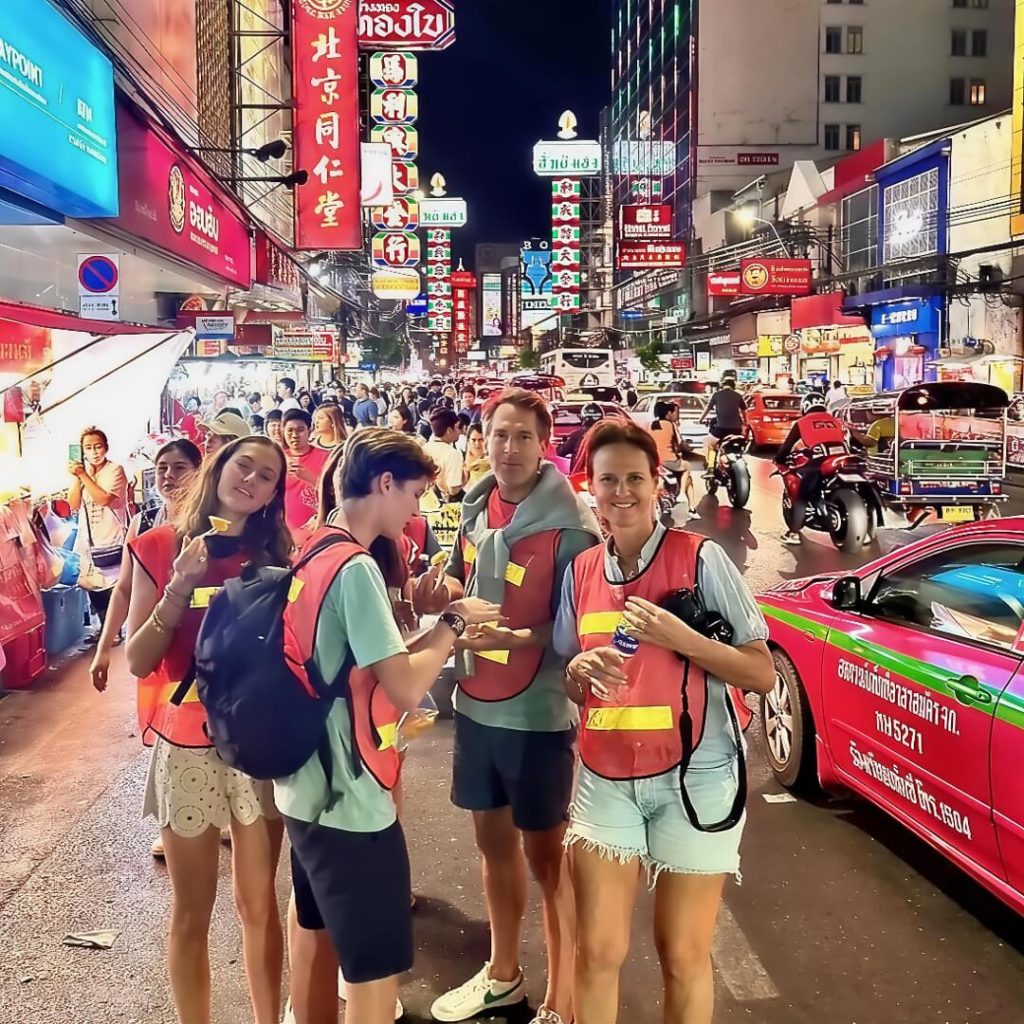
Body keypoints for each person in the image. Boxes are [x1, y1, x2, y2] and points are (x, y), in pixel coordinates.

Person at [275, 428, 501, 1024]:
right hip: (350, 799)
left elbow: (364, 662)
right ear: (383, 484)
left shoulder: (312, 545)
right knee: (373, 972)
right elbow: (404, 685)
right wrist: (452, 622)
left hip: (304, 784)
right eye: (414, 494)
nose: (417, 510)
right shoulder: (354, 569)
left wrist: (429, 627)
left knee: (314, 935)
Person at [554, 420, 774, 1024]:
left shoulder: (701, 559)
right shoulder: (580, 574)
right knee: (596, 952)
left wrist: (683, 639)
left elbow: (760, 673)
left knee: (681, 955)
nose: (621, 491)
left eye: (634, 478)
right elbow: (572, 685)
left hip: (698, 778)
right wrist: (580, 668)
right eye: (607, 480)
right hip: (606, 776)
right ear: (590, 488)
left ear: (658, 485)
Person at [419, 389, 602, 1024]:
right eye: (499, 434)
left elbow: (581, 627)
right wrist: (440, 591)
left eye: (523, 436)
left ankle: (565, 997)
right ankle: (504, 974)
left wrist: (516, 637)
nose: (510, 448)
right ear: (483, 439)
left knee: (548, 862)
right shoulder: (475, 511)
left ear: (544, 444)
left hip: (537, 716)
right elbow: (466, 588)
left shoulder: (573, 530)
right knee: (493, 850)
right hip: (475, 703)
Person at [125, 437, 290, 1024]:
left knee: (260, 906)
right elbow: (140, 660)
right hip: (187, 744)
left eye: (267, 475)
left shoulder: (274, 553)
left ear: (274, 494)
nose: (252, 478)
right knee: (192, 913)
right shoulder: (158, 544)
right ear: (219, 467)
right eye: (244, 464)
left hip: (255, 745)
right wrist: (177, 584)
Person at [69, 427, 130, 638]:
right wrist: (77, 477)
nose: (94, 452)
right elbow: (73, 504)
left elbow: (104, 499)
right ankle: (105, 627)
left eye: (98, 446)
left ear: (106, 448)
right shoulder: (81, 474)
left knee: (112, 584)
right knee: (93, 584)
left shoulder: (115, 470)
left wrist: (83, 475)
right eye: (88, 448)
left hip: (110, 535)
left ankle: (114, 630)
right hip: (88, 538)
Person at [775, 394, 859, 545]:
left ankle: (794, 533)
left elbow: (787, 447)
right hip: (843, 457)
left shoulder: (802, 422)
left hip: (819, 461)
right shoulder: (835, 420)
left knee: (802, 495)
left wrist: (779, 459)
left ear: (805, 406)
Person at [282, 409, 331, 536]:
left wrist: (311, 479)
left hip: (318, 530)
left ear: (310, 430)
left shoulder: (327, 458)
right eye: (290, 430)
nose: (294, 435)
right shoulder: (277, 459)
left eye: (300, 430)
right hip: (285, 533)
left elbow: (335, 494)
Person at [650, 400, 700, 521]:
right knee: (687, 469)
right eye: (674, 412)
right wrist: (689, 448)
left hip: (653, 460)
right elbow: (679, 443)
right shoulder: (671, 425)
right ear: (668, 413)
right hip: (670, 461)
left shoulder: (651, 424)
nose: (676, 415)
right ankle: (686, 501)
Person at [699, 379, 747, 474]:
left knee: (709, 443)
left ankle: (711, 467)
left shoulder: (717, 395)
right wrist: (745, 422)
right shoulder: (738, 395)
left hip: (721, 429)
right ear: (733, 386)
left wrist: (700, 419)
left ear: (722, 386)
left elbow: (707, 408)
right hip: (737, 430)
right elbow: (744, 411)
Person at [424, 408, 467, 503]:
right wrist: (465, 478)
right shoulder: (452, 454)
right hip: (444, 506)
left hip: (424, 502)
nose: (459, 431)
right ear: (449, 430)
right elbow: (453, 489)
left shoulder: (424, 448)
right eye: (457, 427)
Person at [557, 402, 605, 473]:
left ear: (583, 417)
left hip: (579, 477)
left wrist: (561, 444)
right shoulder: (608, 435)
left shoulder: (576, 435)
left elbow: (560, 452)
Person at [464, 422, 491, 486]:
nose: (477, 444)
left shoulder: (494, 461)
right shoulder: (463, 462)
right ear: (468, 441)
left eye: (481, 440)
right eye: (473, 440)